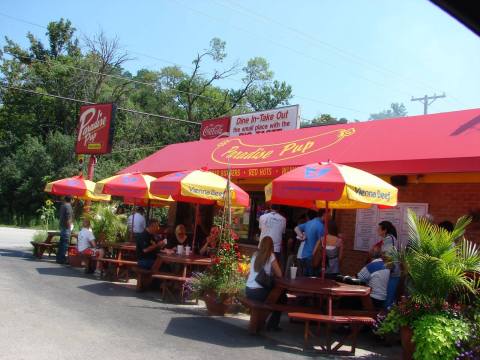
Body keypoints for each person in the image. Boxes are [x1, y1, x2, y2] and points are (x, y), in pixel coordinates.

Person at [245, 236, 284, 331]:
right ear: (271, 246)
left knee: (275, 297)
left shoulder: (255, 254)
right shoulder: (271, 255)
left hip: (248, 290)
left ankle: (262, 320)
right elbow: (279, 274)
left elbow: (250, 272)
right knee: (281, 298)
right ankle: (272, 324)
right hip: (258, 291)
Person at [372, 220, 400, 308]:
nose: (377, 230)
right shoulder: (389, 238)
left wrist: (378, 253)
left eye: (379, 229)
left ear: (385, 230)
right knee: (388, 297)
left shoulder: (389, 239)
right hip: (391, 271)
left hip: (392, 272)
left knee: (388, 299)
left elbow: (387, 255)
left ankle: (386, 319)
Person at [294, 209, 325, 277]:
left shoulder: (309, 223)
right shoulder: (321, 226)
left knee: (304, 279)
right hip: (313, 256)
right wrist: (313, 254)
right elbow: (320, 242)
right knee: (312, 280)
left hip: (304, 254)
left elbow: (296, 228)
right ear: (324, 215)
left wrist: (301, 236)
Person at [56, 195, 73, 264]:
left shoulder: (62, 206)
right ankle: (62, 259)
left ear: (65, 199)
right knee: (65, 244)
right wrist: (70, 227)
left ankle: (58, 258)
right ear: (71, 199)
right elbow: (68, 218)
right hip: (66, 227)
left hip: (62, 226)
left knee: (61, 243)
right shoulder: (68, 207)